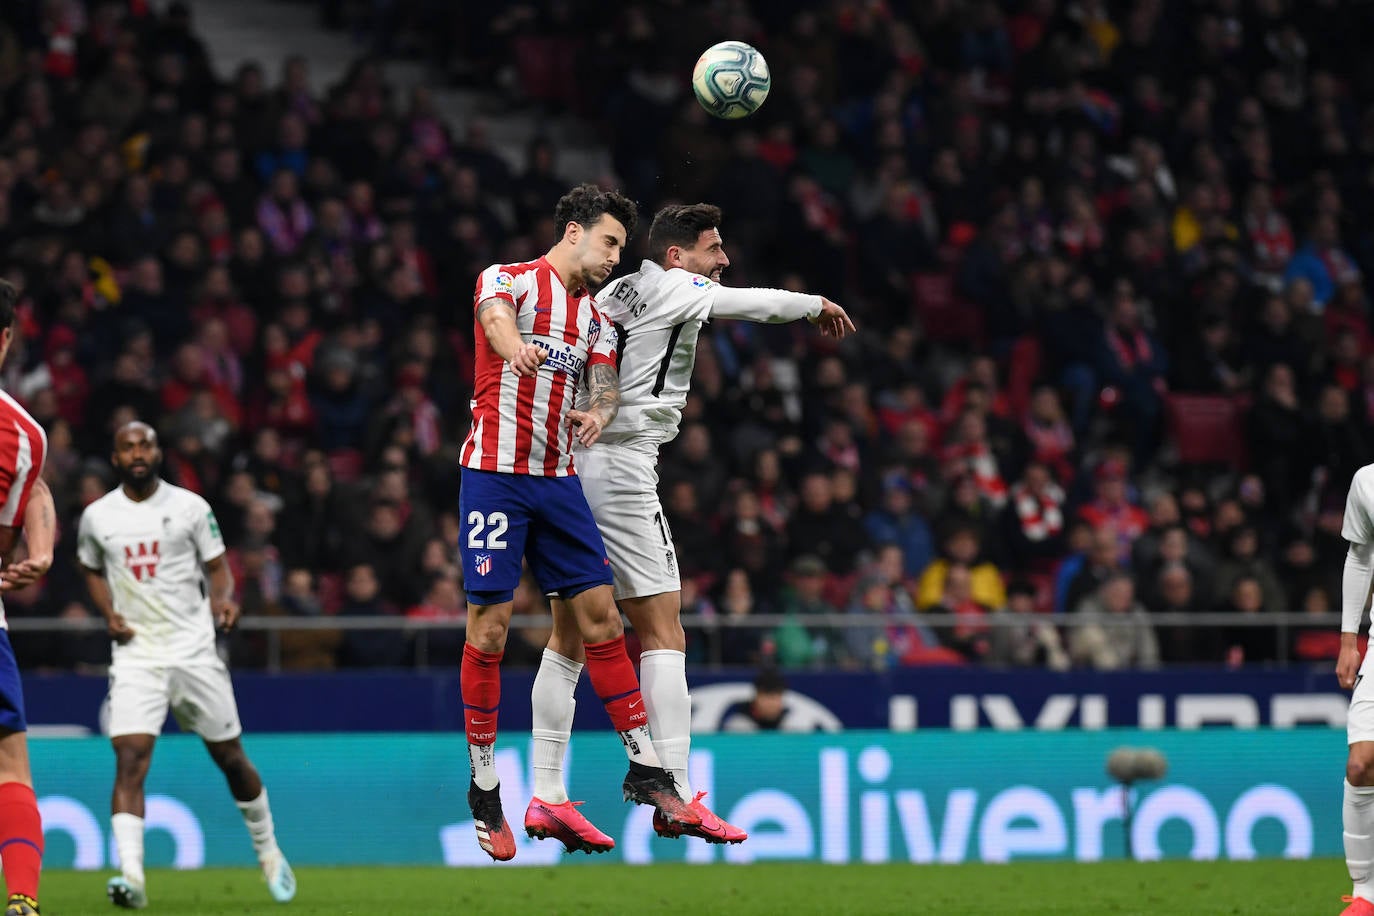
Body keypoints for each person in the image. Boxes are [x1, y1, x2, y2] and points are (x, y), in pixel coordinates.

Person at [529, 202, 854, 848]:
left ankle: (547, 792)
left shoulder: (616, 290)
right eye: (713, 249)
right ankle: (672, 786)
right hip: (621, 468)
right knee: (663, 630)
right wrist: (813, 301)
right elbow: (752, 304)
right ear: (677, 256)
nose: (722, 260)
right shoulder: (676, 285)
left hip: (569, 463)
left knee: (569, 632)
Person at [457, 184, 696, 862]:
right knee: (493, 628)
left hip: (559, 483)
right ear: (572, 232)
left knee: (602, 623)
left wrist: (596, 410)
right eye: (610, 243)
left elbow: (603, 379)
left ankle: (647, 771)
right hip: (494, 481)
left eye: (622, 247)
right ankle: (483, 786)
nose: (616, 258)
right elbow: (498, 321)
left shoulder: (592, 317)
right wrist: (513, 349)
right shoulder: (507, 279)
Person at [76, 422, 295, 908]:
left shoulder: (190, 508)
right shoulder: (97, 517)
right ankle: (131, 877)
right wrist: (108, 611)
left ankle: (269, 852)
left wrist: (224, 602)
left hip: (194, 649)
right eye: (128, 446)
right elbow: (91, 569)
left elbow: (219, 570)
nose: (137, 452)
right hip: (136, 653)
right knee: (130, 758)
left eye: (145, 444)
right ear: (116, 458)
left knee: (230, 759)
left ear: (158, 452)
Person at [0, 279, 57, 916]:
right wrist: (36, 554)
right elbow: (27, 502)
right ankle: (22, 898)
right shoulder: (22, 434)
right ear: (6, 339)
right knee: (9, 763)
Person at [1336, 463, 1374, 916]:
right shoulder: (1367, 481)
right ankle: (1365, 893)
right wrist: (1350, 638)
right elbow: (1361, 554)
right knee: (1361, 763)